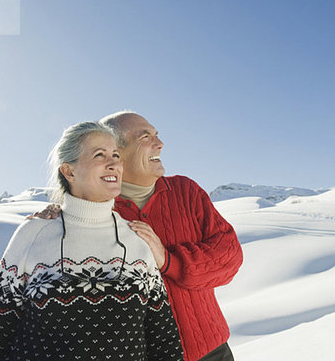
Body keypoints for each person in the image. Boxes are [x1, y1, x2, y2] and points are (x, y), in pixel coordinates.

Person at [0, 121, 183, 361]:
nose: (113, 164)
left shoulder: (136, 240)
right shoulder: (35, 233)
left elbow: (164, 341)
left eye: (116, 155)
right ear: (69, 171)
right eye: (100, 155)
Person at [35, 112, 243, 361]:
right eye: (145, 137)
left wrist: (169, 261)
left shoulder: (186, 191)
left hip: (211, 352)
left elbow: (229, 258)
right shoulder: (87, 212)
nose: (160, 144)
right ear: (117, 152)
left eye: (156, 135)